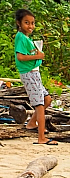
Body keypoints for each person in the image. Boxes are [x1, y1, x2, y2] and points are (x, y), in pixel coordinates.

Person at [14, 9, 57, 145]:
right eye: (27, 23)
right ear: (19, 23)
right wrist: (37, 56)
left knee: (47, 99)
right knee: (39, 105)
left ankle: (32, 123)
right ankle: (41, 138)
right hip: (29, 74)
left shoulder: (27, 38)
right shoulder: (20, 37)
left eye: (32, 23)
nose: (30, 26)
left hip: (35, 73)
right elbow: (20, 57)